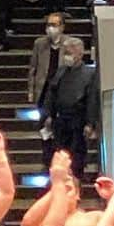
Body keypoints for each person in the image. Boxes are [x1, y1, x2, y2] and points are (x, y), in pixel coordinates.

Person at [43, 38, 99, 180]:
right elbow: (51, 94)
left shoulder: (89, 73)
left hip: (78, 122)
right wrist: (48, 114)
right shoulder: (61, 71)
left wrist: (90, 123)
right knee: (59, 154)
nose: (66, 56)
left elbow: (92, 99)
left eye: (69, 53)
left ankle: (76, 186)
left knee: (76, 157)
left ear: (79, 54)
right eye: (65, 52)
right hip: (61, 120)